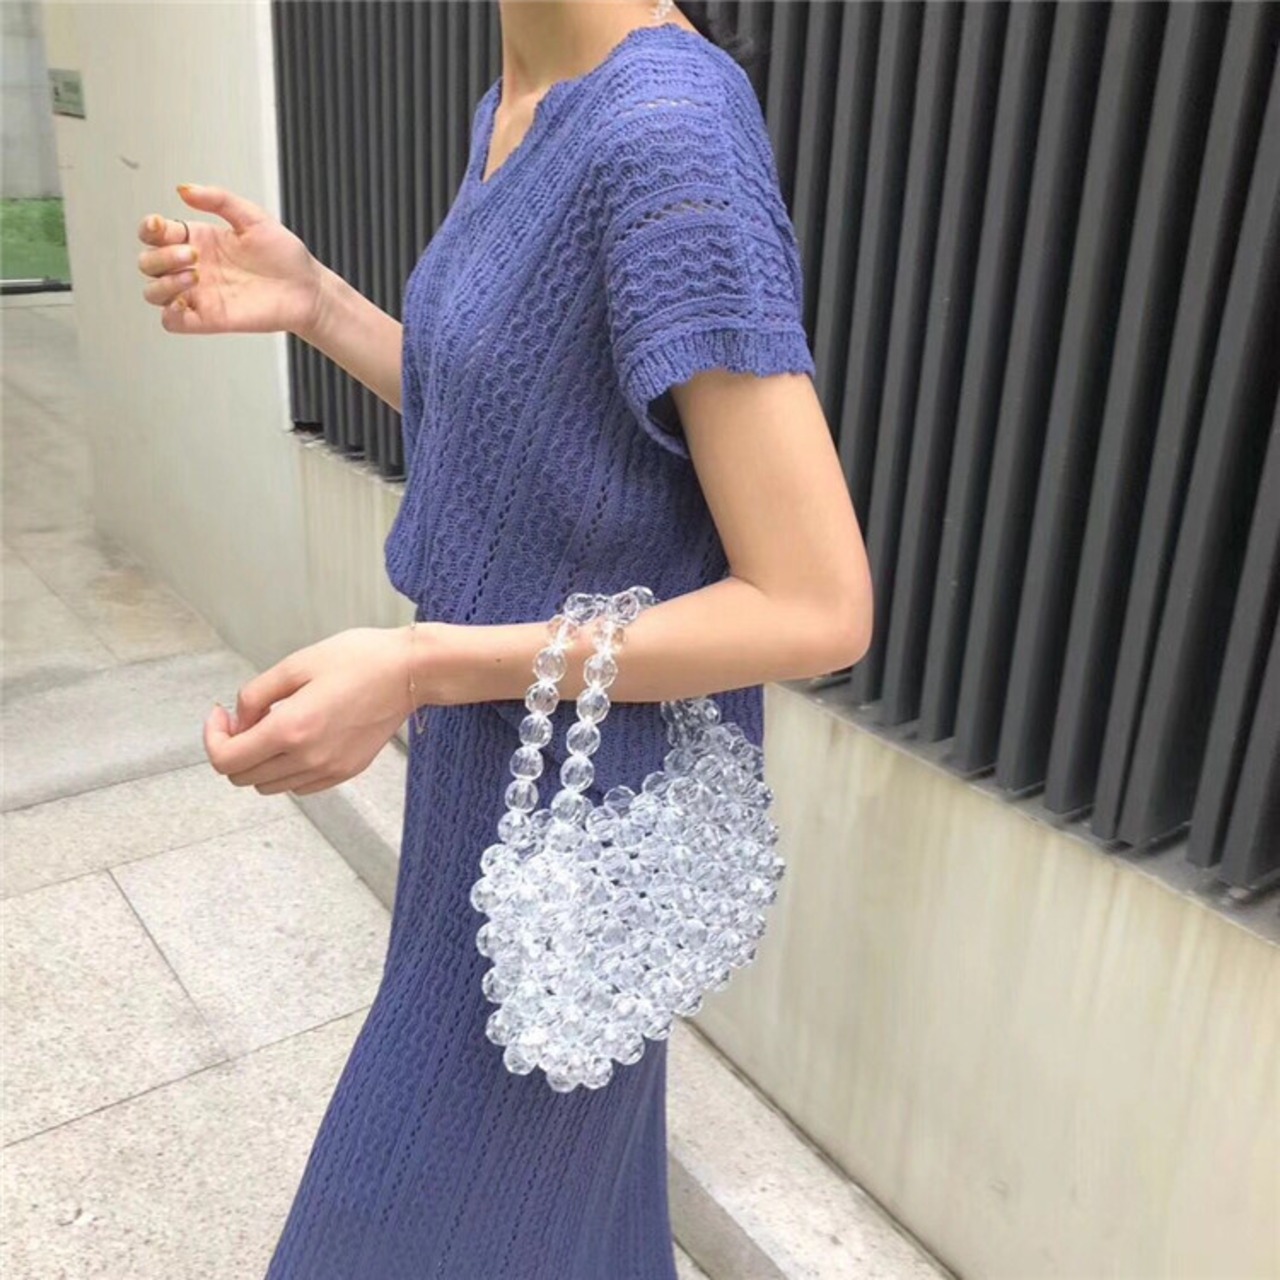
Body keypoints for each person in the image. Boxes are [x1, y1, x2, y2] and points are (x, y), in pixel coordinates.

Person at [135, 2, 872, 1275]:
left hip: (579, 840)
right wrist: (317, 302)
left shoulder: (668, 131)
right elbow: (525, 424)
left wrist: (421, 665)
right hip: (493, 791)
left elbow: (815, 604)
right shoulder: (515, 102)